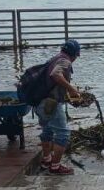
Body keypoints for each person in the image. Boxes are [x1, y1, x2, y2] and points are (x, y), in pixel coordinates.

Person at [35, 40, 84, 175]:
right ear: (74, 54)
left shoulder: (54, 58)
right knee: (63, 134)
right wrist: (72, 89)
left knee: (48, 130)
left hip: (40, 102)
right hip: (50, 104)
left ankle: (46, 160)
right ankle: (55, 167)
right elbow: (56, 75)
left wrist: (66, 93)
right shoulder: (65, 61)